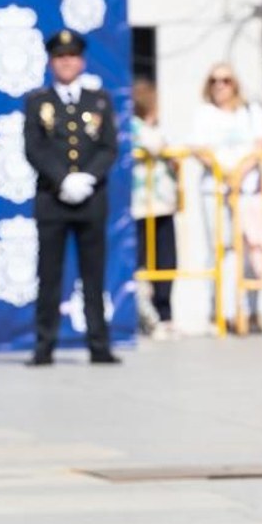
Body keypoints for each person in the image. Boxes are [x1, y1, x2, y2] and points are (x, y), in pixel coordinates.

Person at [23, 30, 121, 364]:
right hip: (53, 198)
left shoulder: (99, 100)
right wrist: (63, 179)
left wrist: (87, 177)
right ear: (52, 62)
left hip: (91, 199)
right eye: (60, 57)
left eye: (72, 56)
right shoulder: (38, 102)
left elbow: (109, 147)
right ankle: (44, 345)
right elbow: (34, 147)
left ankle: (99, 344)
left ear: (81, 60)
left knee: (93, 275)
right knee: (49, 275)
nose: (66, 62)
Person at [190, 63, 262, 329]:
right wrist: (224, 172)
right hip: (215, 189)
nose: (219, 86)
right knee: (220, 248)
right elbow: (198, 148)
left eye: (225, 80)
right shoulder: (205, 114)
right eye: (214, 81)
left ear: (234, 84)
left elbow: (260, 146)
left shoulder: (251, 112)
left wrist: (240, 173)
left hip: (246, 189)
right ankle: (221, 311)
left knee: (248, 248)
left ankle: (247, 310)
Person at [130, 76, 178, 335]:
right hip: (141, 204)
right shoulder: (135, 126)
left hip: (163, 202)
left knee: (166, 259)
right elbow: (156, 145)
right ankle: (145, 314)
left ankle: (165, 313)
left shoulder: (155, 126)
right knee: (140, 261)